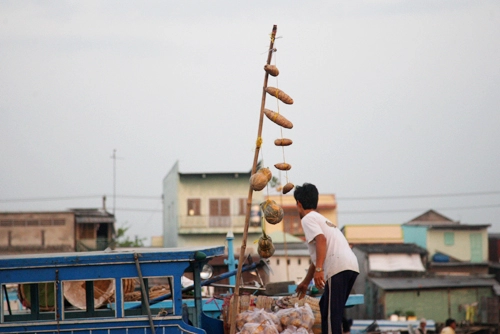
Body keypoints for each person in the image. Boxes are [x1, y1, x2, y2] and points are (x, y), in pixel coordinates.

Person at [294, 183, 359, 334]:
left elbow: (321, 240)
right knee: (326, 307)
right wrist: (305, 282)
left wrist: (319, 270)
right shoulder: (321, 219)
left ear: (299, 204)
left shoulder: (308, 218)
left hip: (338, 267)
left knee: (332, 315)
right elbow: (317, 257)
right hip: (351, 266)